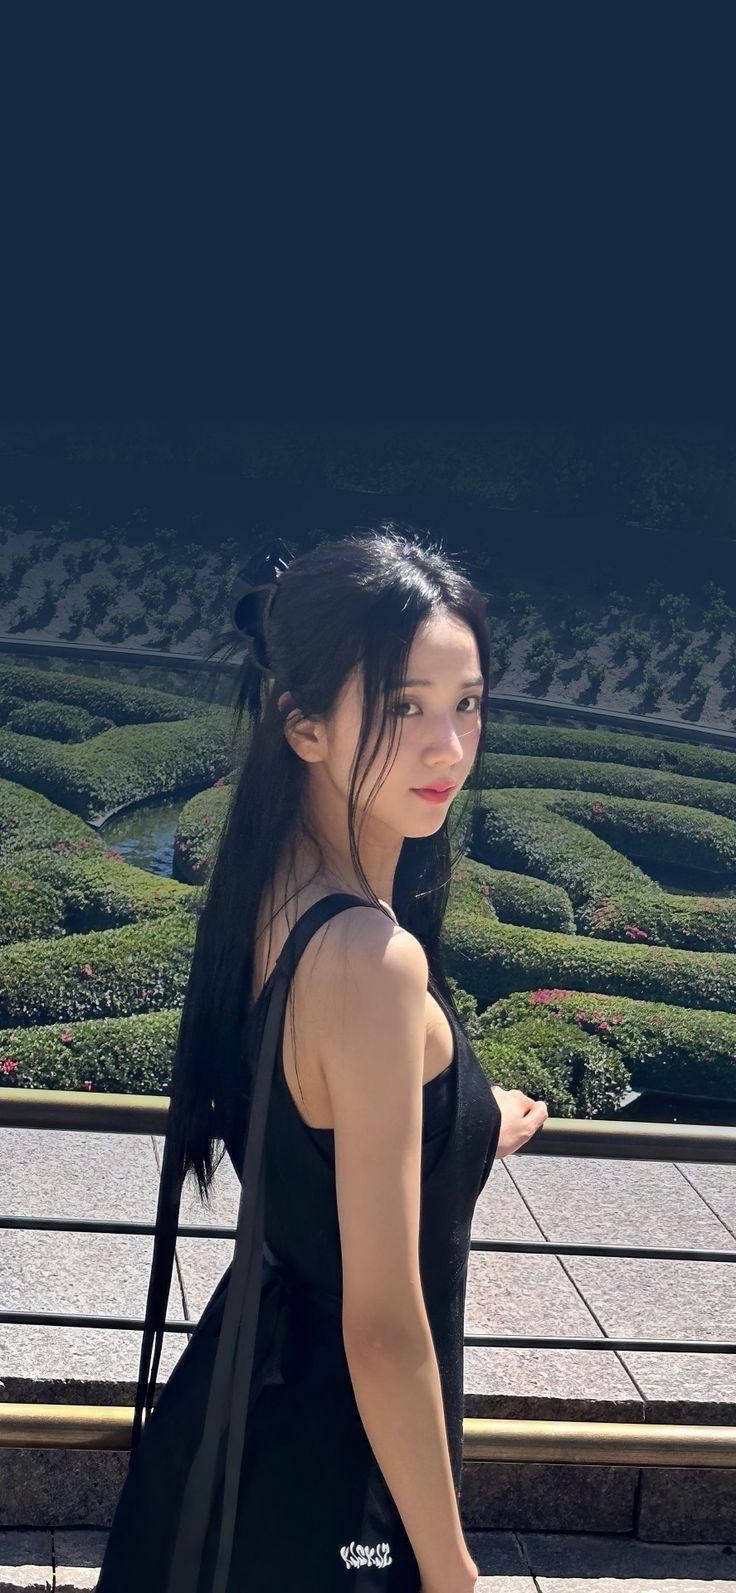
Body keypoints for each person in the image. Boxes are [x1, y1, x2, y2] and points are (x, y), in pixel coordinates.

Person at [96, 527, 548, 1592]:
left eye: (466, 702)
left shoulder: (275, 886)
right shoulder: (370, 961)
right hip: (336, 1484)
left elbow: (332, 1120)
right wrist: (449, 1571)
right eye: (402, 707)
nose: (447, 746)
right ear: (302, 726)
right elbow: (385, 1329)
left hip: (240, 1408)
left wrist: (482, 1119)